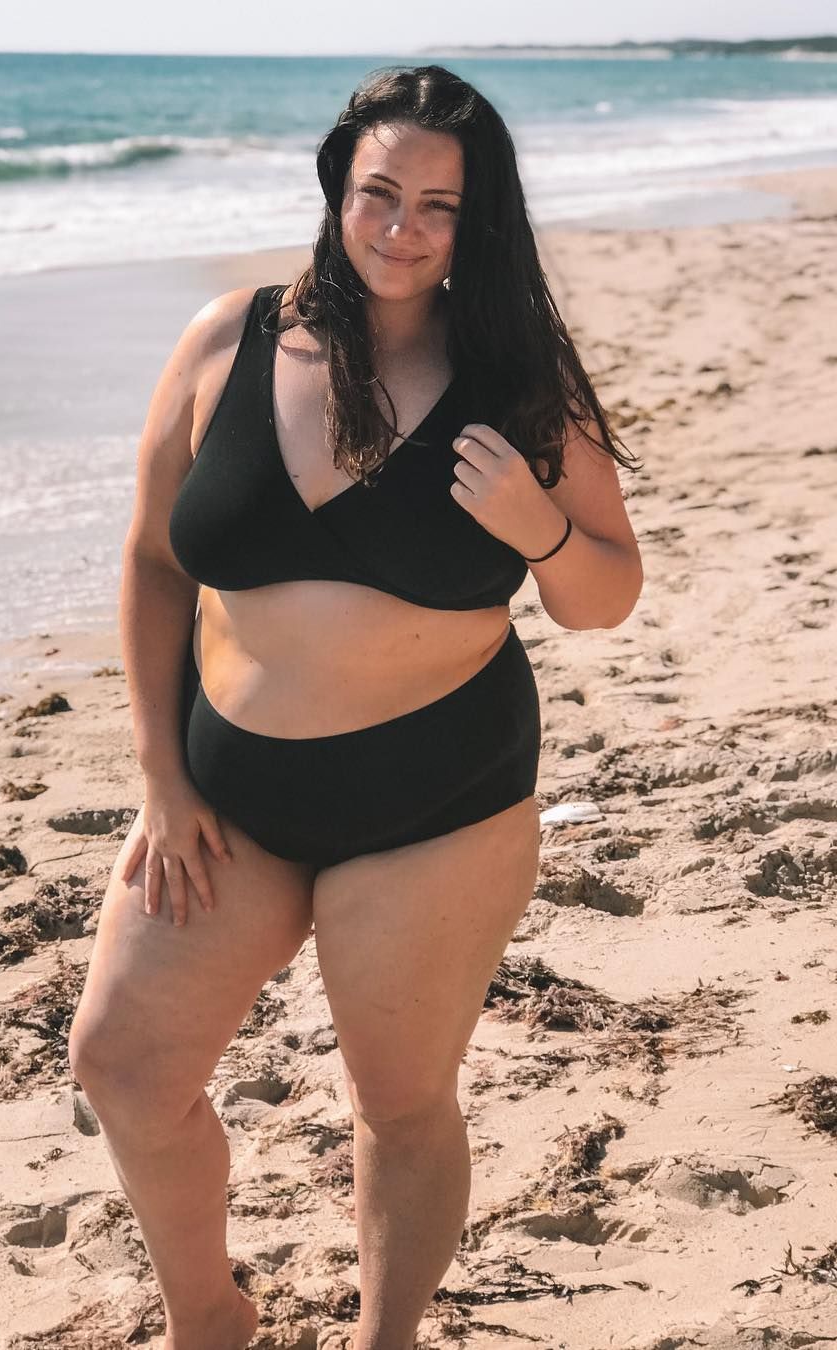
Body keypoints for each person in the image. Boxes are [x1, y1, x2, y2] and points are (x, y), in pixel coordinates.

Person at [68, 63, 644, 1350]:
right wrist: (161, 774)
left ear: (476, 222)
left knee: (398, 1104)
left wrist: (540, 528)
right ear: (338, 187)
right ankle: (209, 1320)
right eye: (380, 191)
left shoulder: (518, 378)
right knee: (123, 1064)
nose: (402, 227)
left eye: (440, 205)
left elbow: (606, 595)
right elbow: (155, 561)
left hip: (432, 805)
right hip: (226, 795)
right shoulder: (225, 340)